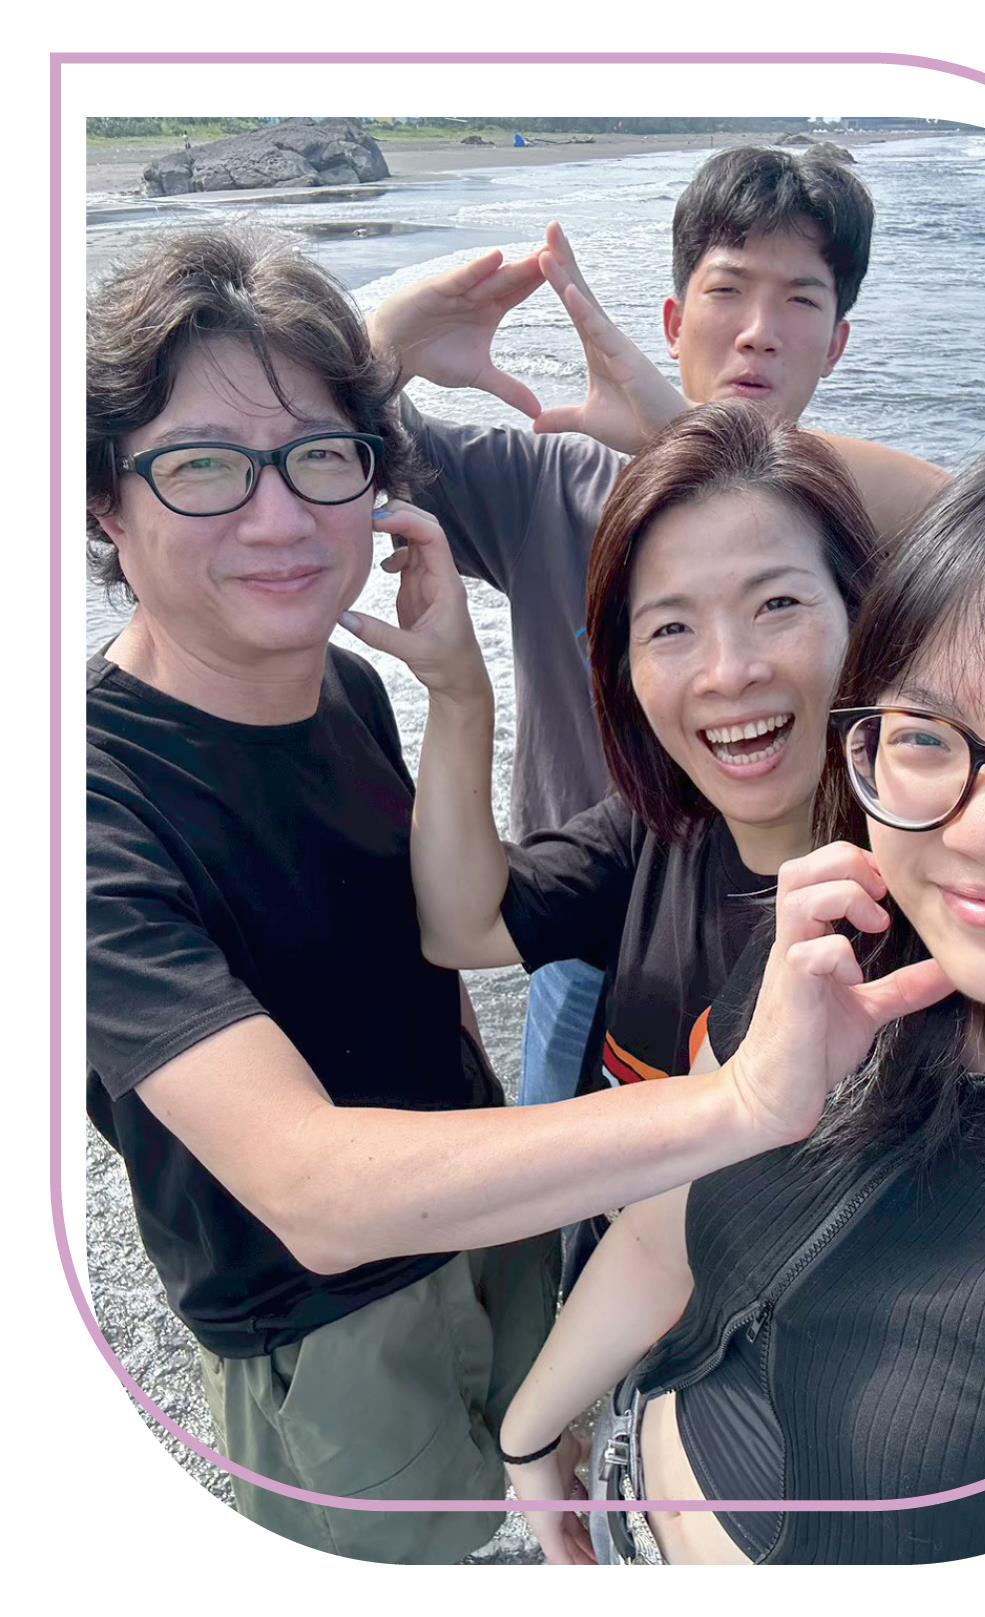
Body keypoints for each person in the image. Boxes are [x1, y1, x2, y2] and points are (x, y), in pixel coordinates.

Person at [85, 226, 855, 1565]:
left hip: (494, 1215)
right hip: (324, 1323)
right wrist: (740, 1104)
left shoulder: (345, 688)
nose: (278, 518)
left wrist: (453, 686)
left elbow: (439, 942)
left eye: (319, 460)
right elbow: (314, 1188)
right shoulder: (75, 811)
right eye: (201, 467)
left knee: (540, 1480)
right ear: (104, 503)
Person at [497, 421, 985, 1565]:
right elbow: (658, 1238)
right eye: (925, 734)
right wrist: (530, 1441)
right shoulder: (831, 952)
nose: (980, 832)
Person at [367, 143, 951, 1109]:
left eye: (800, 300)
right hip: (580, 909)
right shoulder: (549, 482)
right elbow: (359, 457)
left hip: (807, 903)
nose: (758, 332)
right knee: (586, 1156)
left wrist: (683, 433)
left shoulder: (854, 521)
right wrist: (381, 346)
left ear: (837, 342)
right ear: (674, 321)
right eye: (729, 290)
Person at [341, 402, 881, 1279]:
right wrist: (459, 691)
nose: (728, 671)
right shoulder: (655, 833)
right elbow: (461, 926)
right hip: (619, 1310)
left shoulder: (930, 898)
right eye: (671, 627)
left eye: (777, 603)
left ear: (866, 614)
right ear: (623, 669)